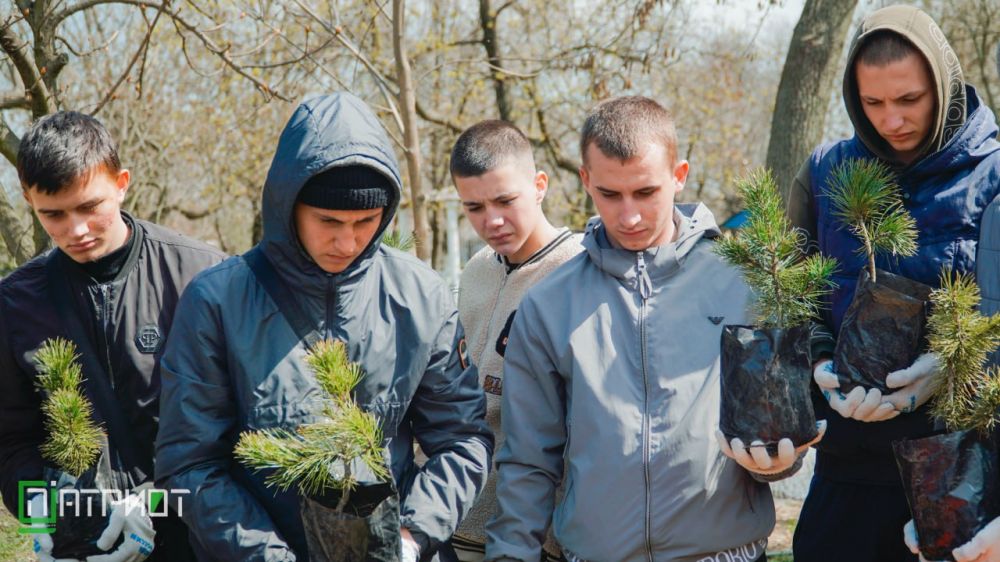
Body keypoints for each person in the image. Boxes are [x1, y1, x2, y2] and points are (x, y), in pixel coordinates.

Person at [154, 92, 493, 562]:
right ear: (287, 206)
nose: (347, 240)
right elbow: (190, 463)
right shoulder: (217, 301)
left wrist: (412, 538)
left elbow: (461, 438)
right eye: (328, 221)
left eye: (366, 221)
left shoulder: (421, 295)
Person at [485, 96, 819, 562]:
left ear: (679, 176)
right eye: (609, 194)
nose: (629, 216)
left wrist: (778, 463)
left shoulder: (746, 285)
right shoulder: (548, 303)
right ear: (585, 181)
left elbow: (775, 433)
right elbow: (527, 463)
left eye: (645, 192)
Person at [784, 6, 1000, 562]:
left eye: (909, 100)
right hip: (849, 473)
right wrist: (820, 360)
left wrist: (952, 368)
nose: (892, 120)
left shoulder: (993, 174)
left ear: (944, 84)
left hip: (962, 471)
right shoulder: (826, 171)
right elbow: (790, 298)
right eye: (873, 103)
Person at [0, 111, 226, 561]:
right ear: (28, 198)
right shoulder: (13, 304)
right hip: (81, 543)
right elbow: (10, 438)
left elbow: (234, 430)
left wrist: (158, 502)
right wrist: (36, 510)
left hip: (196, 539)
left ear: (122, 182)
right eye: (53, 215)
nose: (76, 230)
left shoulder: (203, 278)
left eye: (89, 207)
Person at [449, 120, 583, 561]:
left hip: (541, 535)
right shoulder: (475, 270)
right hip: (461, 523)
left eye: (505, 200)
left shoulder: (580, 271)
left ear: (539, 185)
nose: (493, 221)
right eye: (474, 207)